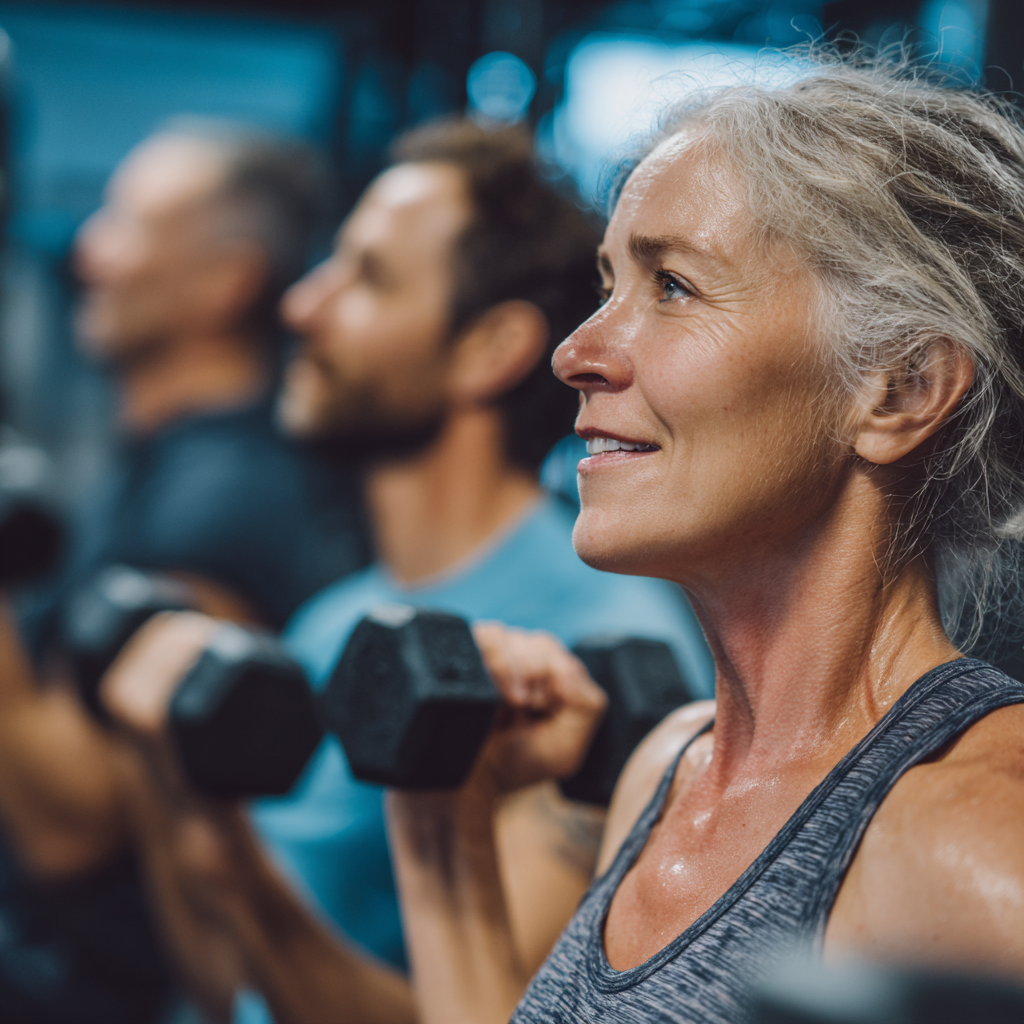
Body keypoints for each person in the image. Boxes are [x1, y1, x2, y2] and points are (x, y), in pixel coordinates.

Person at [368, 56, 1024, 1024]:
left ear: (899, 389)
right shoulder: (664, 768)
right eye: (607, 282)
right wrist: (439, 836)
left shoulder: (977, 838)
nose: (575, 351)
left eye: (671, 286)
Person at [100, 118, 714, 1024]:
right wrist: (178, 802)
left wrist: (232, 864)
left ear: (489, 348)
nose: (302, 306)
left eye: (368, 278)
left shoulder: (592, 652)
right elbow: (232, 998)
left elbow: (486, 1012)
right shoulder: (333, 620)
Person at [0, 121, 368, 1024]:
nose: (89, 251)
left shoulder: (225, 498)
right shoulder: (168, 463)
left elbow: (75, 825)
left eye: (126, 223)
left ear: (225, 281)